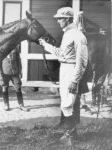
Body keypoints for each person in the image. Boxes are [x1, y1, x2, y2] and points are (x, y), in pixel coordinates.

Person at [39, 7, 89, 143]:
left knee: (68, 104)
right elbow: (61, 53)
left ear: (67, 19)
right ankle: (72, 134)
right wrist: (45, 45)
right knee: (65, 104)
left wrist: (74, 80)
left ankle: (71, 136)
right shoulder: (67, 34)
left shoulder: (78, 35)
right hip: (65, 69)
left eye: (60, 19)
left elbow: (82, 61)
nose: (58, 21)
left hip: (72, 70)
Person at [0, 45, 29, 112]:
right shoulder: (1, 49)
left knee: (18, 87)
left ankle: (21, 105)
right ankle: (6, 105)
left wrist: (20, 71)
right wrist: (0, 75)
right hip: (5, 73)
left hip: (15, 72)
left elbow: (18, 60)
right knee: (5, 88)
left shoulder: (15, 47)